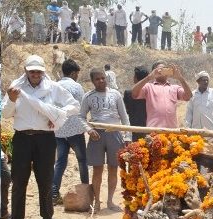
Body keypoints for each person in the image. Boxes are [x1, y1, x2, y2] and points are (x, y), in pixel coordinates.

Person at [1, 55, 80, 219]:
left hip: (45, 139)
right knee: (19, 182)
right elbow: (6, 114)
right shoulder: (16, 87)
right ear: (26, 71)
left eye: (38, 71)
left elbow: (74, 106)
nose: (35, 74)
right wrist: (12, 100)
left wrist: (56, 115)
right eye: (32, 71)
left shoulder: (52, 87)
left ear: (43, 71)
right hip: (22, 139)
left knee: (45, 181)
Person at [81, 68, 129, 211]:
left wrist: (127, 136)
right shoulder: (88, 96)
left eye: (103, 78)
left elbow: (124, 117)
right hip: (97, 135)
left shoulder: (116, 94)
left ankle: (110, 201)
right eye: (97, 79)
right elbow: (81, 117)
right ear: (92, 81)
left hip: (114, 133)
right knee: (97, 169)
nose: (101, 81)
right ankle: (97, 202)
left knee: (113, 168)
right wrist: (89, 130)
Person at [52, 59, 89, 205]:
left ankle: (54, 193)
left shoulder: (55, 86)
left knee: (60, 162)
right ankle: (86, 190)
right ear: (73, 73)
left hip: (59, 130)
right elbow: (81, 108)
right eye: (77, 74)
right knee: (82, 160)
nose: (77, 76)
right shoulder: (77, 87)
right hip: (75, 130)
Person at [131, 62, 192, 128]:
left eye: (165, 69)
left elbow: (188, 96)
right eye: (159, 69)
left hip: (171, 130)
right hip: (154, 130)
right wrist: (149, 78)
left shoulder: (175, 88)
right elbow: (134, 94)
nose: (162, 71)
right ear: (153, 72)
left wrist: (180, 78)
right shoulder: (148, 87)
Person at [124, 66, 149, 141]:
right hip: (149, 127)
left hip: (134, 127)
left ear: (135, 78)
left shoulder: (128, 93)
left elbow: (127, 110)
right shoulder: (151, 92)